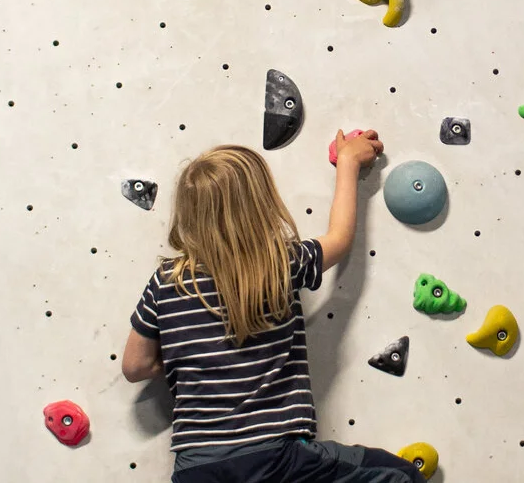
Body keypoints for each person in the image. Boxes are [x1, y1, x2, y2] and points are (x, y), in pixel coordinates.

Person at [122, 133, 425, 483]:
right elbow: (340, 238)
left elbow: (134, 365)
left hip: (197, 469)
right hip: (275, 460)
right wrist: (348, 163)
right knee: (400, 475)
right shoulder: (278, 265)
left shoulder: (166, 282)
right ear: (260, 204)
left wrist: (190, 355)